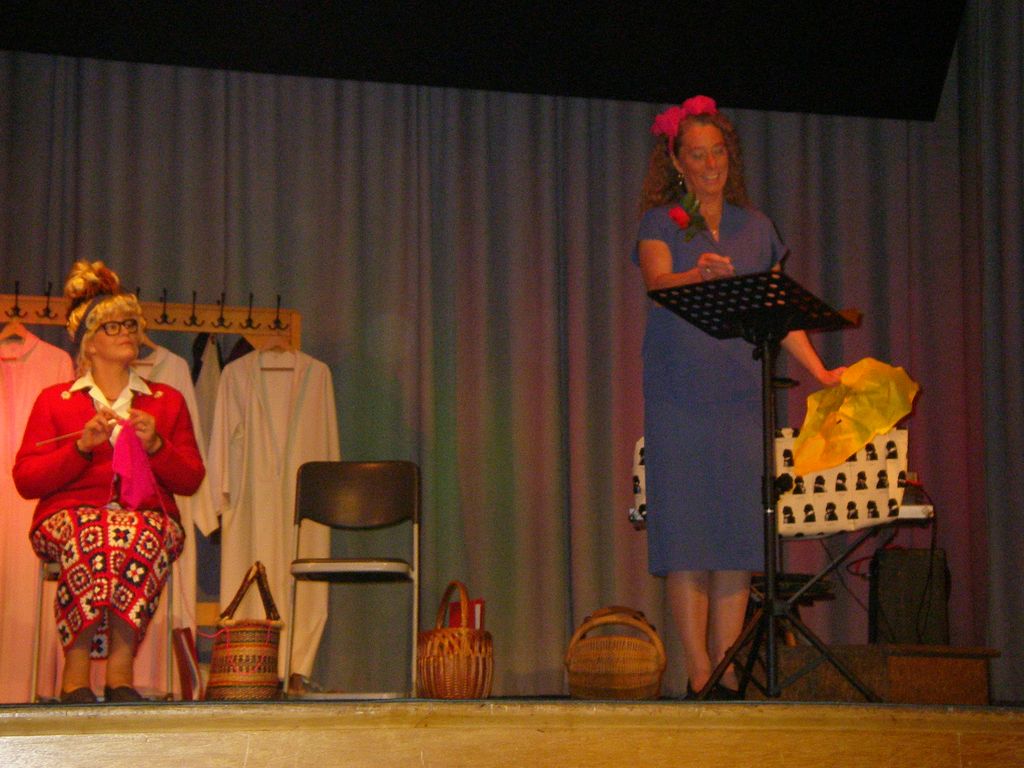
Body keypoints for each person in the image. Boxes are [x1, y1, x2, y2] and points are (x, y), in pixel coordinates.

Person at [632, 95, 844, 699]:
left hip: (739, 396)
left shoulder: (757, 228)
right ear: (678, 162)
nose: (710, 164)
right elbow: (657, 281)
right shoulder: (664, 222)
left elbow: (781, 313)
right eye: (697, 155)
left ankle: (725, 668)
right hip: (679, 394)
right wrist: (695, 273)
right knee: (688, 534)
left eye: (718, 152)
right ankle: (699, 669)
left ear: (730, 155)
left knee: (733, 535)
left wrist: (820, 372)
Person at [13, 261, 205, 703]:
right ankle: (76, 671)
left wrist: (156, 445)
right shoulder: (56, 401)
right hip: (67, 520)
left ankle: (121, 671)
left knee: (135, 532)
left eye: (131, 325)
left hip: (146, 520)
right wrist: (80, 449)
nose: (127, 333)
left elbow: (191, 478)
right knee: (94, 532)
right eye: (113, 326)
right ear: (89, 342)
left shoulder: (165, 401)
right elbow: (26, 480)